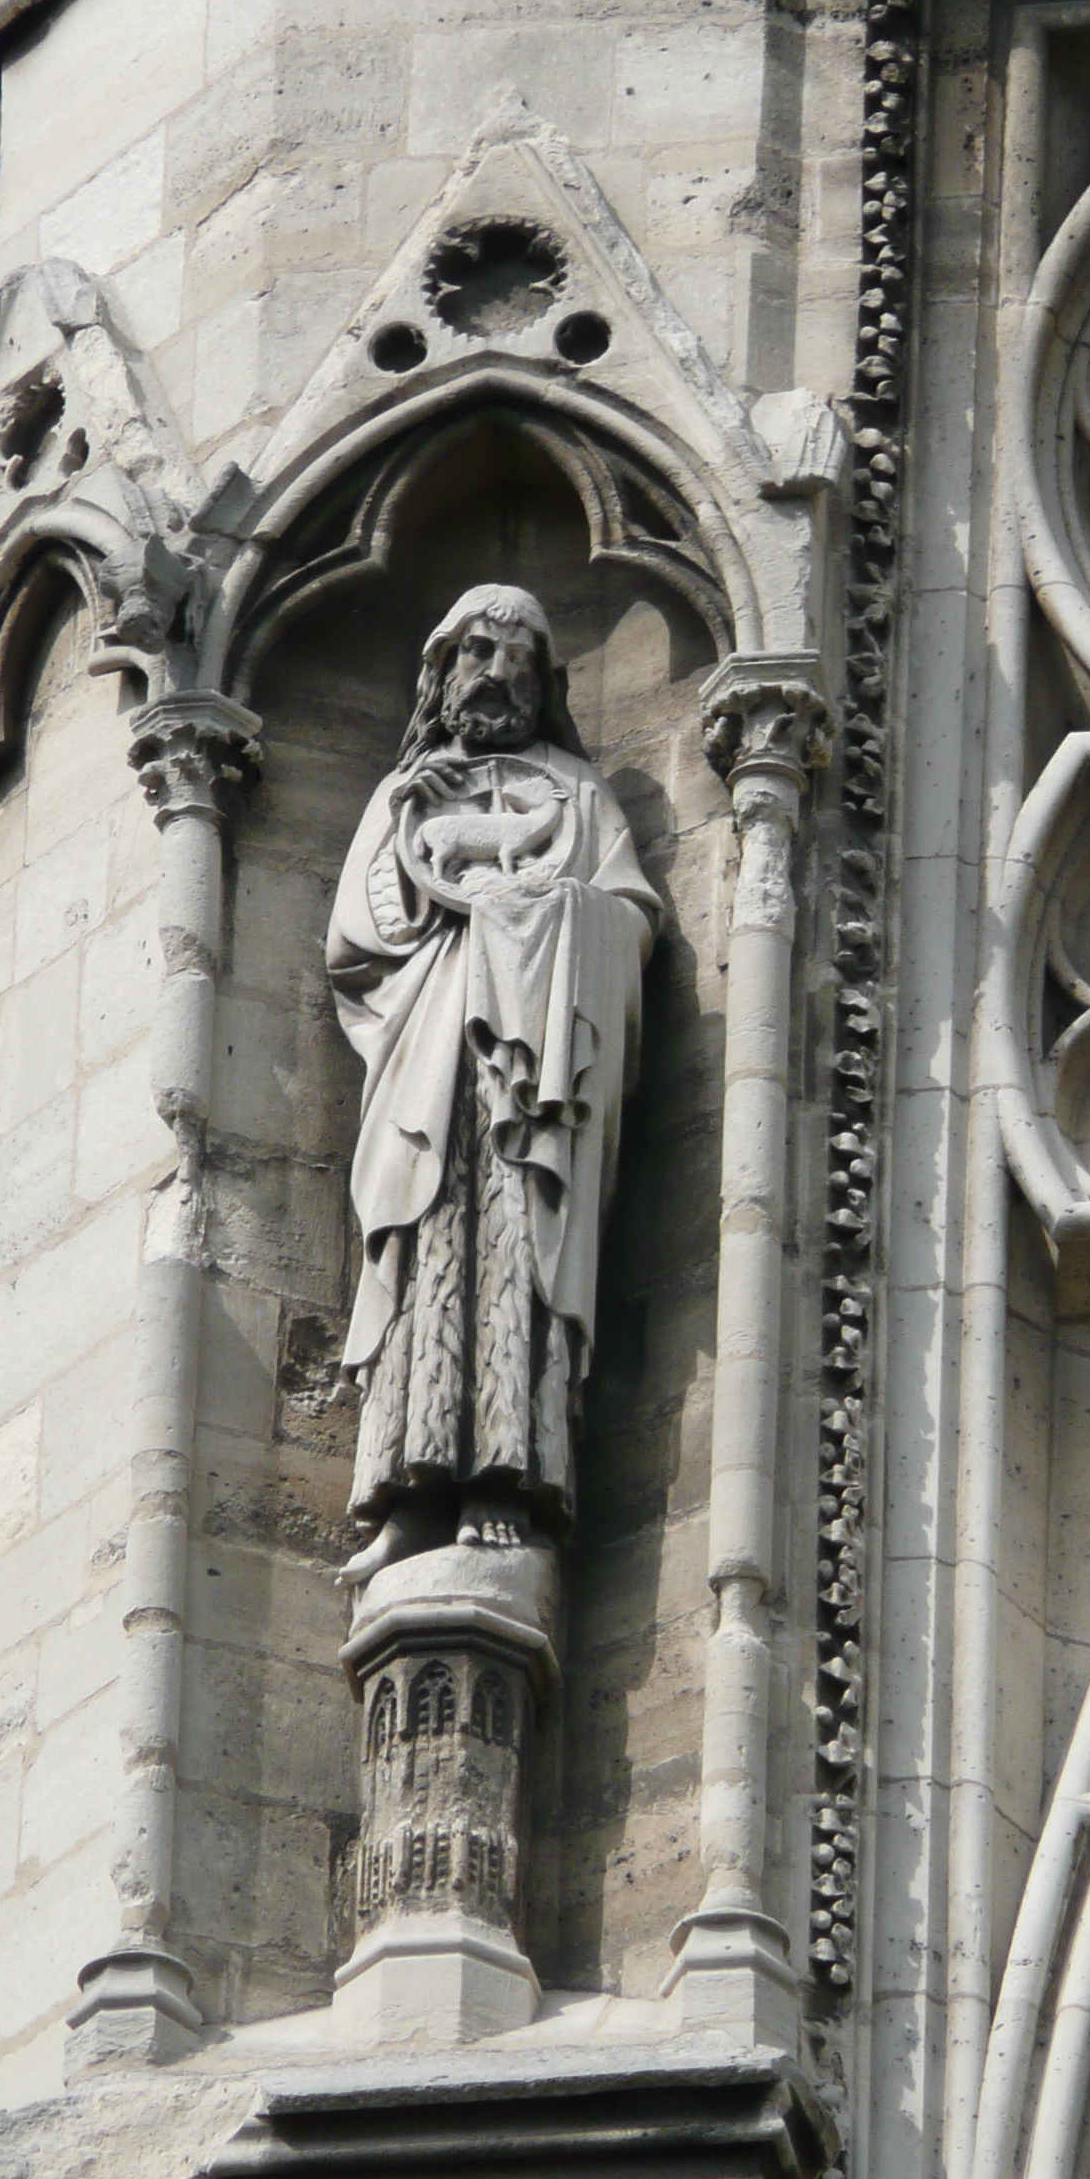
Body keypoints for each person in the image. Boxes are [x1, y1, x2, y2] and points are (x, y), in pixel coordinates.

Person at [327, 585, 660, 1584]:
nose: (498, 675)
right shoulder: (404, 798)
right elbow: (359, 939)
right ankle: (403, 1493)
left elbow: (631, 918)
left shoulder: (578, 794)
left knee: (518, 1250)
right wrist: (426, 864)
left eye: (520, 660)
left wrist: (551, 911)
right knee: (424, 1246)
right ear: (442, 670)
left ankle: (504, 1483)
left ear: (545, 684)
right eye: (478, 652)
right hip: (430, 1056)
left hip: (534, 1074)